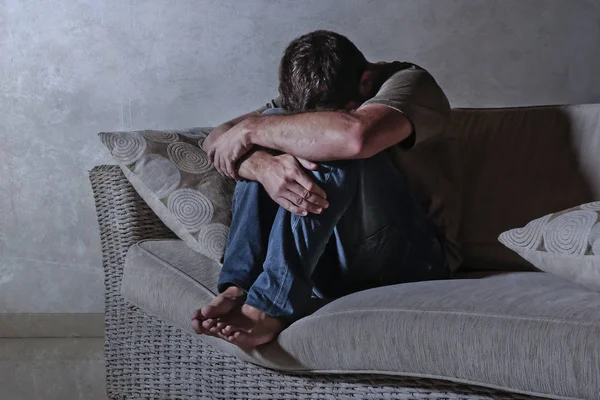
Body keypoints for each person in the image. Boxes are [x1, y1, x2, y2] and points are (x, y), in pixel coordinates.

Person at [191, 30, 455, 348]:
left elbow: (354, 138)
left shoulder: (409, 82)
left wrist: (250, 130)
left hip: (413, 261)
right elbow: (216, 141)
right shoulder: (300, 96)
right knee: (275, 128)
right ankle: (240, 287)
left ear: (366, 80)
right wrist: (265, 167)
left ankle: (271, 305)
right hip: (331, 259)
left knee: (326, 140)